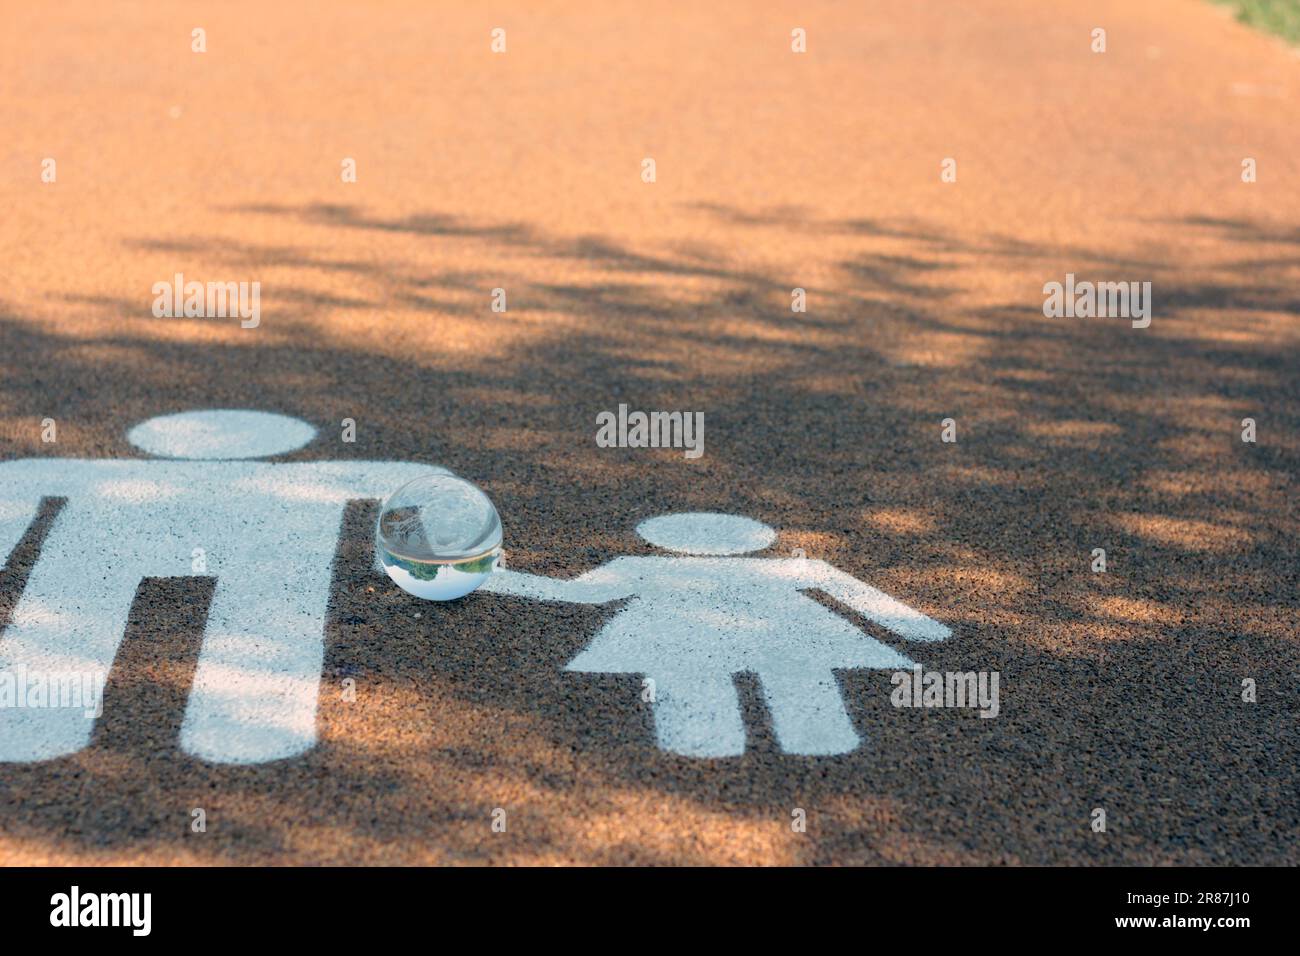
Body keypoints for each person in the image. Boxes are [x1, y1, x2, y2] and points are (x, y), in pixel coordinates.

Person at [0, 409, 446, 764]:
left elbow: (15, 494)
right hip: (268, 567)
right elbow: (400, 494)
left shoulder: (75, 473)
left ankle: (35, 726)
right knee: (263, 649)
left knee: (65, 645)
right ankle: (252, 731)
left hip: (87, 562)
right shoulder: (311, 480)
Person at [482, 512, 951, 757]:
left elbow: (576, 596)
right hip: (789, 634)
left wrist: (493, 575)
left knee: (692, 676)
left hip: (674, 635)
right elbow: (850, 592)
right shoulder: (793, 565)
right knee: (802, 677)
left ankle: (704, 743)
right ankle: (817, 739)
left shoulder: (639, 566)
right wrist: (919, 630)